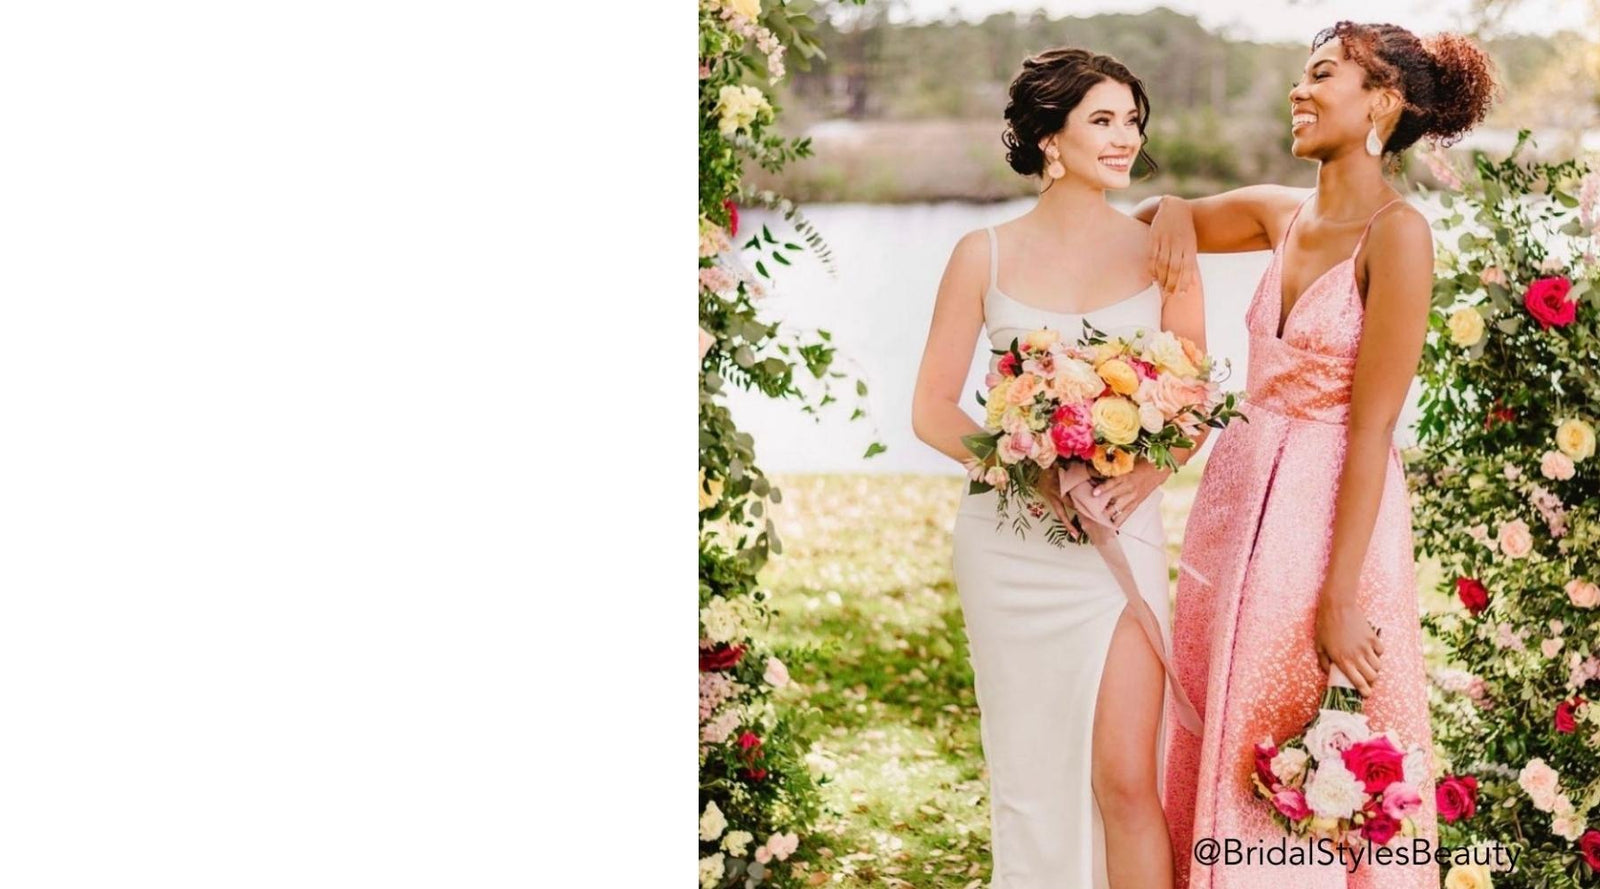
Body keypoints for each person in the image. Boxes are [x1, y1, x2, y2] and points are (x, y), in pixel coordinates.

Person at [1133, 21, 1498, 888]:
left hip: (1328, 508)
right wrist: (1178, 207)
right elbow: (1149, 222)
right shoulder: (1277, 214)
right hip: (1236, 494)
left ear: (1382, 102)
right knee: (1214, 700)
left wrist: (1341, 596)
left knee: (1296, 720)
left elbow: (1373, 428)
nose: (1299, 91)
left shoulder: (1398, 234)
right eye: (1300, 76)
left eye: (1323, 75)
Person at [912, 47, 1206, 889]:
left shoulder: (1162, 249)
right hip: (1010, 546)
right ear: (1049, 136)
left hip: (1120, 542)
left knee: (1125, 776)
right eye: (1103, 120)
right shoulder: (984, 254)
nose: (1127, 138)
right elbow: (932, 409)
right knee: (1032, 785)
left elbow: (1191, 406)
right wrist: (1027, 467)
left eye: (1133, 121)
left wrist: (1146, 475)